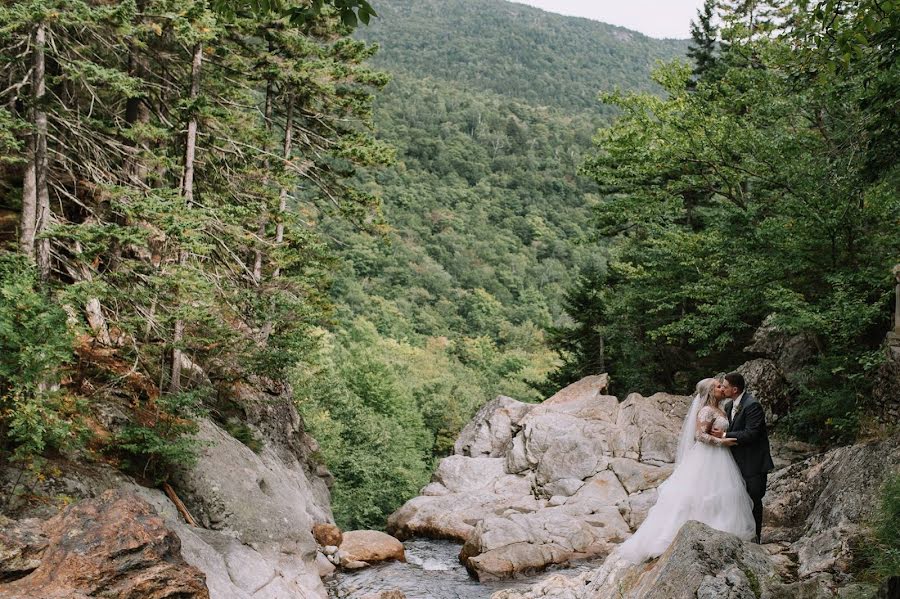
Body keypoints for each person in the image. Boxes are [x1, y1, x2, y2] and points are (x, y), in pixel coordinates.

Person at [615, 377, 756, 564]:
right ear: (709, 392)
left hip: (721, 458)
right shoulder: (705, 410)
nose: (722, 388)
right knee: (698, 494)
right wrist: (721, 441)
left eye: (722, 385)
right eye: (718, 386)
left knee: (720, 492)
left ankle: (719, 528)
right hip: (707, 456)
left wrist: (724, 438)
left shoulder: (722, 409)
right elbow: (699, 435)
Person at [718, 372, 775, 543]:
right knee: (737, 500)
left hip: (754, 463)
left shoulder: (752, 405)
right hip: (736, 463)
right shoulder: (729, 406)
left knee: (753, 500)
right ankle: (742, 534)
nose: (723, 389)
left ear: (734, 389)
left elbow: (751, 433)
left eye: (725, 386)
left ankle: (755, 538)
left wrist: (724, 434)